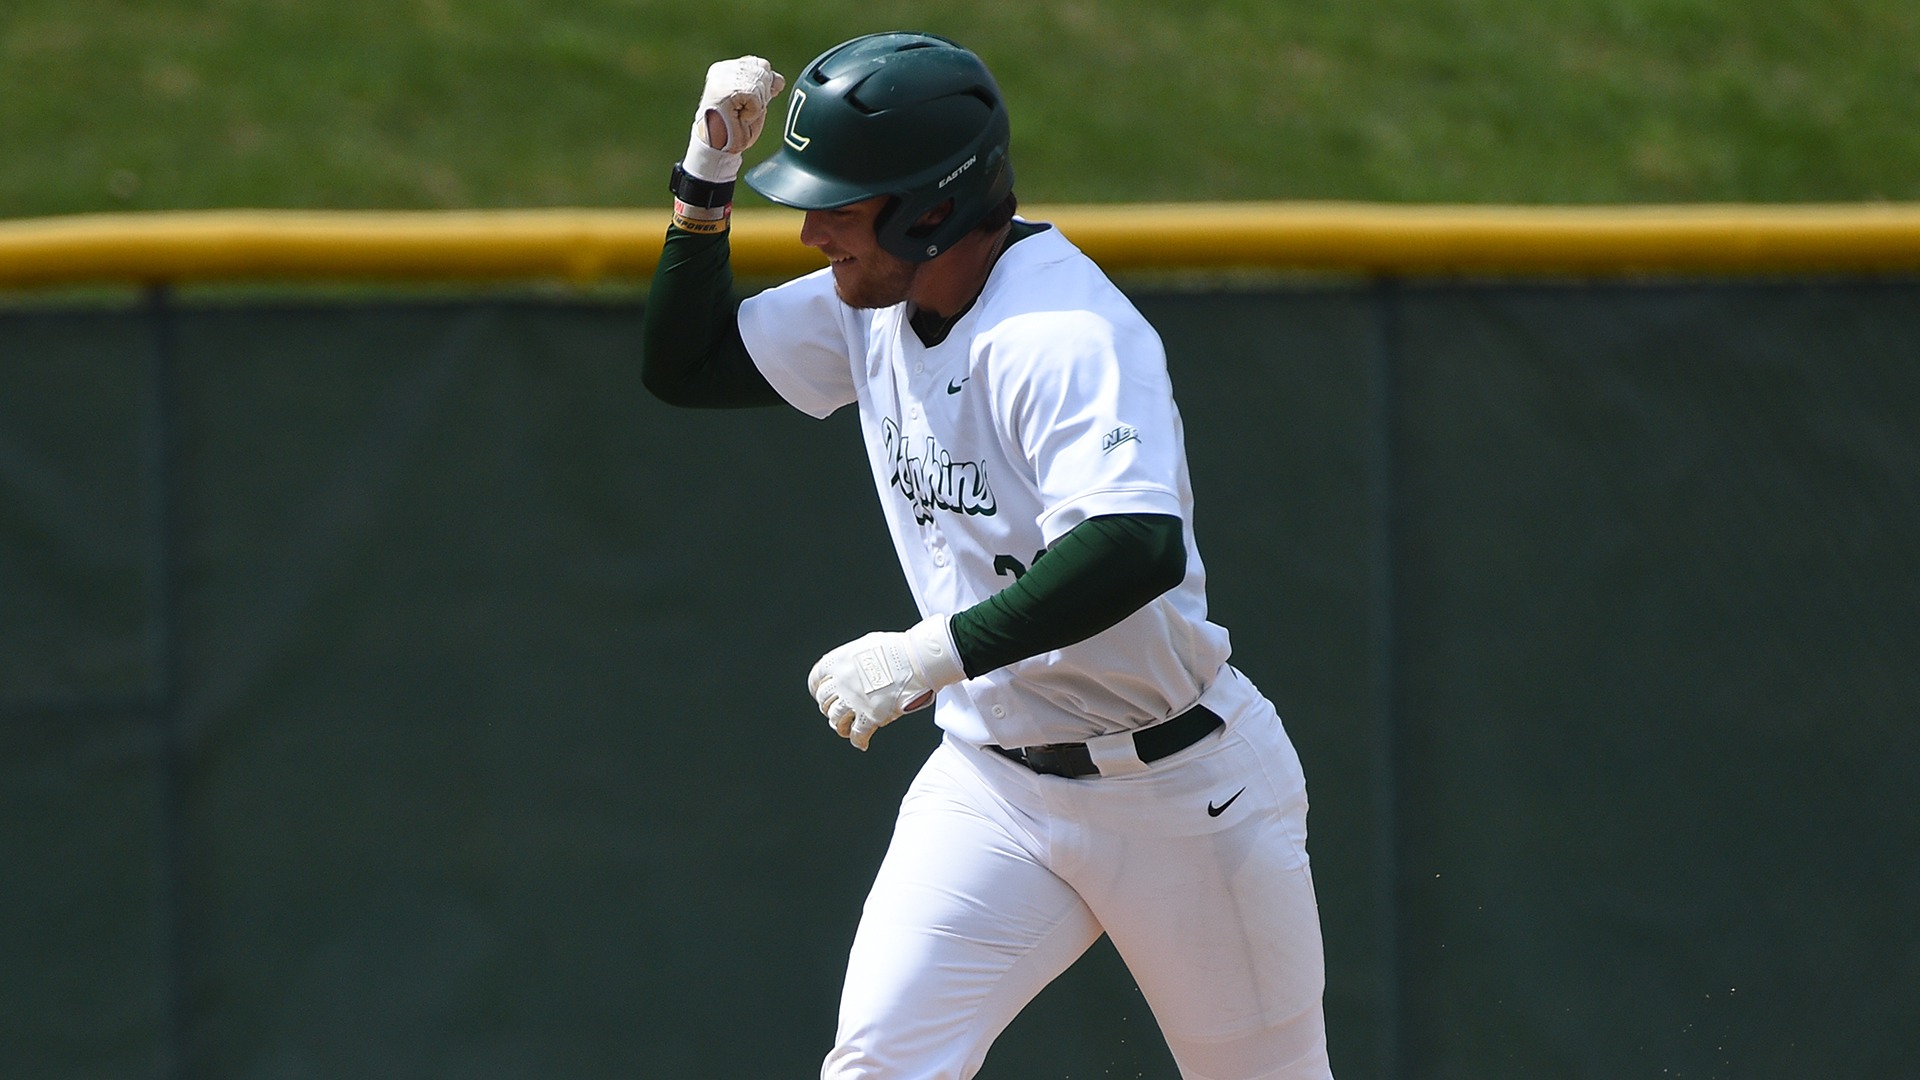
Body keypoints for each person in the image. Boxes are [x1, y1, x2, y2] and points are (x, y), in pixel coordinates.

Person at [641, 32, 1334, 1080]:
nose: (814, 234)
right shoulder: (874, 306)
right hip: (995, 787)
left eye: (841, 202)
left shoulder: (1061, 333)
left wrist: (929, 656)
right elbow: (687, 365)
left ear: (931, 208)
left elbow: (1134, 545)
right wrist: (706, 179)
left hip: (1183, 789)